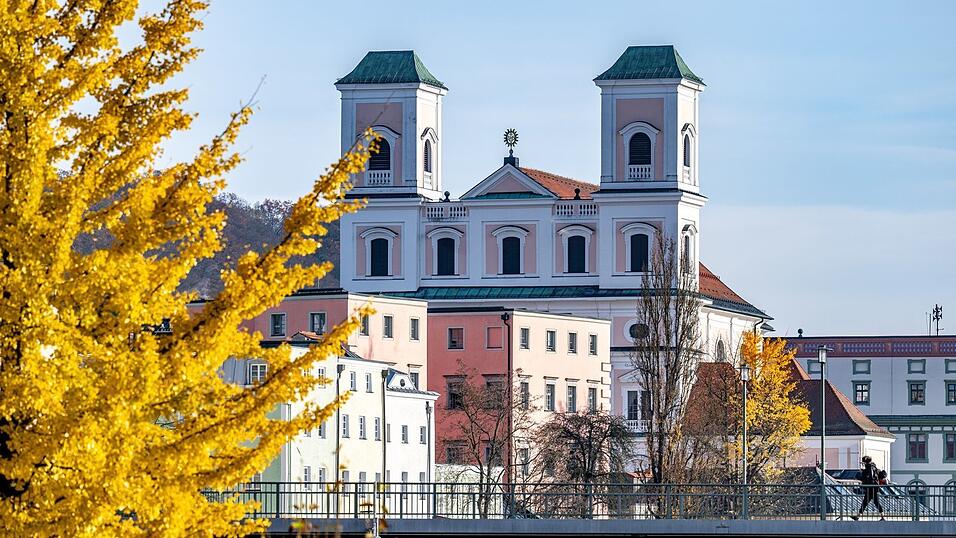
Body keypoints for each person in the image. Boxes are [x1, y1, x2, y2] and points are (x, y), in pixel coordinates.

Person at [851, 455, 885, 521]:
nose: (863, 464)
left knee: (868, 502)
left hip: (870, 488)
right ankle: (858, 516)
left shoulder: (868, 468)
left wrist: (861, 476)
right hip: (874, 488)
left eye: (863, 463)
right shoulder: (874, 468)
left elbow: (867, 478)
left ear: (865, 462)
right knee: (871, 502)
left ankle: (858, 516)